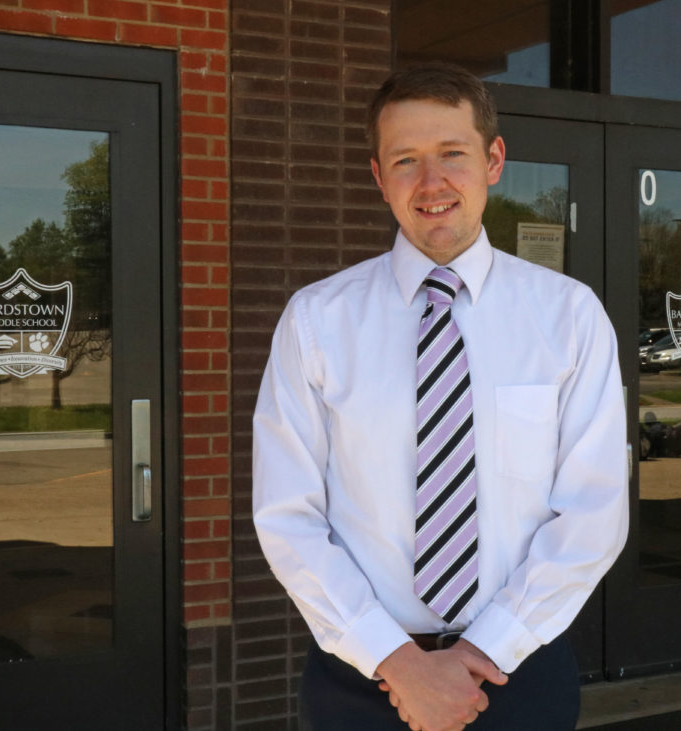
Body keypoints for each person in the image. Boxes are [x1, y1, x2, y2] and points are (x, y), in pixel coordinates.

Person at [253, 62, 628, 731]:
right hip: (359, 679)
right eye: (406, 160)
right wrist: (398, 660)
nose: (431, 183)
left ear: (493, 160)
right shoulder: (316, 322)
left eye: (452, 154)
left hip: (517, 673)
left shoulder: (569, 317)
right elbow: (289, 516)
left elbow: (592, 513)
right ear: (378, 176)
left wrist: (481, 652)